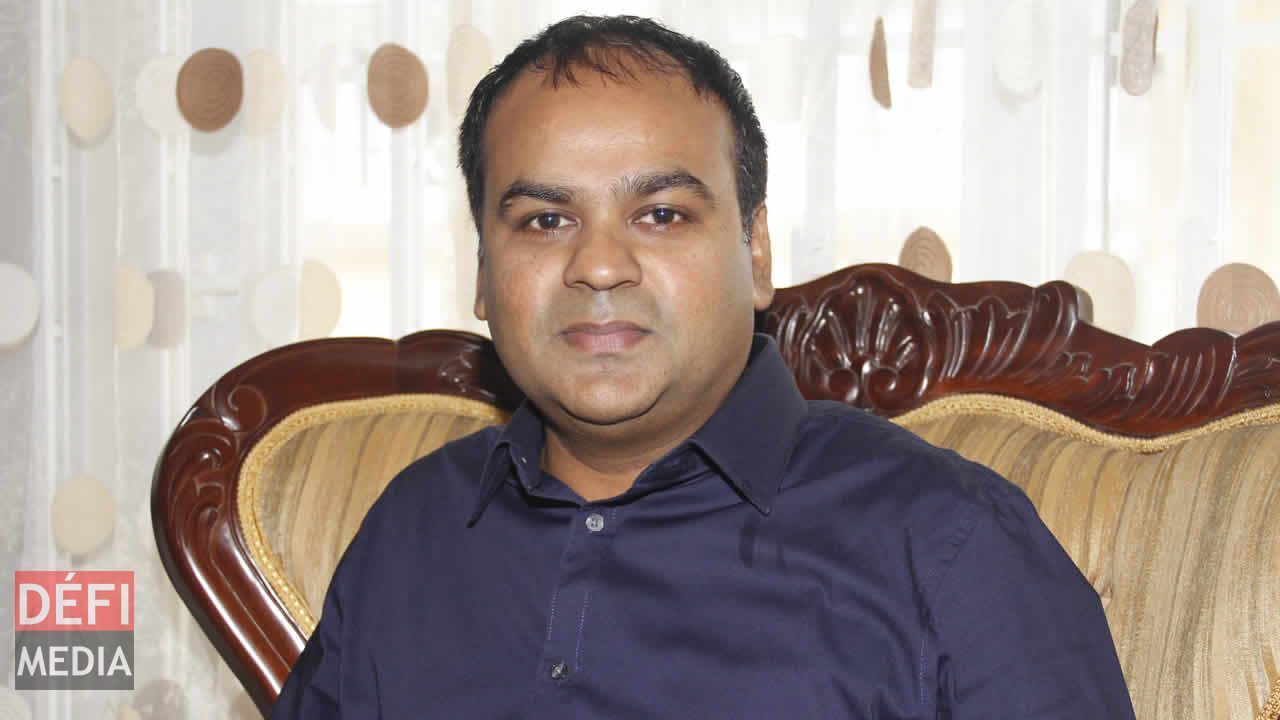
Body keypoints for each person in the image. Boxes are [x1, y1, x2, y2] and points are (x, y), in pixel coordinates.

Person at [271, 15, 1136, 719]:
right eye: (544, 220)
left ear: (756, 253)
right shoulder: (415, 527)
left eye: (660, 213)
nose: (598, 266)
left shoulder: (950, 543)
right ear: (482, 275)